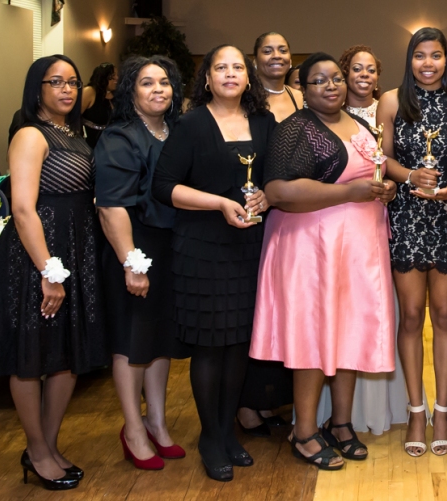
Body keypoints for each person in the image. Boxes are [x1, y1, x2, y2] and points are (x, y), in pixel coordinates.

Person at [251, 53, 398, 471]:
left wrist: (384, 189)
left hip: (359, 248)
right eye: (319, 81)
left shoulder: (363, 125)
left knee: (350, 331)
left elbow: (371, 175)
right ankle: (303, 431)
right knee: (314, 338)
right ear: (303, 88)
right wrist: (347, 195)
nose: (331, 86)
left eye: (335, 78)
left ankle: (342, 422)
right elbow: (277, 190)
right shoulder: (294, 129)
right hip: (312, 248)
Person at [0, 54, 106, 490]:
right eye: (56, 82)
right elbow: (21, 208)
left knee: (66, 356)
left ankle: (48, 446)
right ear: (37, 88)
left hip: (73, 250)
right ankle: (36, 450)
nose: (67, 89)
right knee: (31, 357)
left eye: (73, 82)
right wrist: (49, 270)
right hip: (37, 256)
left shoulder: (72, 133)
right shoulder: (31, 135)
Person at [151, 44, 275, 482]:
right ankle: (209, 436)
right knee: (209, 346)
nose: (229, 73)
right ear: (206, 78)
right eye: (220, 66)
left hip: (249, 248)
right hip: (201, 247)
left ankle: (227, 431)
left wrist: (267, 194)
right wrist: (218, 203)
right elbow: (164, 187)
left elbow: (274, 179)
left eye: (237, 67)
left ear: (248, 77)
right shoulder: (191, 124)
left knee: (238, 344)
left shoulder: (264, 122)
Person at [375, 27, 447, 458]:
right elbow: (381, 157)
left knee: (445, 315)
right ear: (410, 59)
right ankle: (415, 409)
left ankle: (442, 410)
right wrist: (409, 177)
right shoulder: (392, 100)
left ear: (446, 59)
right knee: (412, 315)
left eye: (436, 56)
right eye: (420, 56)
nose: (429, 64)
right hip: (405, 215)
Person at [309, 44, 411, 437]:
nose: (363, 75)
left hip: (375, 229)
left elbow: (389, 165)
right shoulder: (323, 119)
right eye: (355, 69)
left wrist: (389, 187)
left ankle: (374, 410)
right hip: (332, 233)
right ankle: (328, 417)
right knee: (335, 316)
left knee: (371, 314)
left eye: (371, 68)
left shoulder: (384, 113)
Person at [95, 56, 190, 470]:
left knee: (160, 341)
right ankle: (132, 428)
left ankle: (157, 422)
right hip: (135, 247)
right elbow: (111, 206)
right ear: (131, 90)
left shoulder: (177, 132)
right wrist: (132, 263)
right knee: (132, 342)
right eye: (147, 82)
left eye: (164, 82)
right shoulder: (121, 137)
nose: (158, 89)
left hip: (172, 248)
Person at [233, 31, 302, 438]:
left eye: (283, 48)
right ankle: (244, 403)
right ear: (255, 59)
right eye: (267, 50)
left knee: (281, 309)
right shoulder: (245, 100)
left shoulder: (298, 98)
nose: (277, 55)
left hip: (287, 214)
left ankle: (273, 397)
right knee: (251, 310)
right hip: (250, 213)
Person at [82, 62, 118, 148]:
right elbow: (74, 117)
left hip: (111, 143)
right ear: (103, 77)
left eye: (117, 75)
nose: (116, 78)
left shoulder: (116, 96)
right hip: (91, 143)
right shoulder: (90, 92)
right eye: (113, 76)